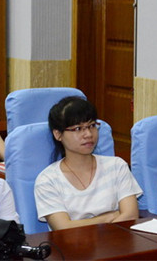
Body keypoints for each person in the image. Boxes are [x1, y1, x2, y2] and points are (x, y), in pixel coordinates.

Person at [34, 96, 141, 230]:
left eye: (92, 126)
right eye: (78, 128)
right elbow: (63, 228)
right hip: (73, 244)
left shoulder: (116, 166)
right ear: (58, 134)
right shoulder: (47, 180)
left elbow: (131, 215)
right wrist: (107, 218)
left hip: (118, 241)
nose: (88, 134)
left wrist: (84, 225)